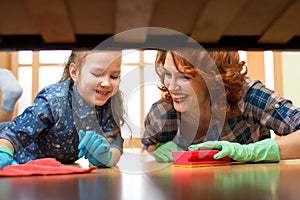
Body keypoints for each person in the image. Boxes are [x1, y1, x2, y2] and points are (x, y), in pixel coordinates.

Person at [142, 49, 300, 163]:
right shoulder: (163, 113)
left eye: (184, 77)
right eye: (168, 74)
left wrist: (248, 152)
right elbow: (148, 147)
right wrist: (157, 150)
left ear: (213, 78)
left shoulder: (248, 96)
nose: (171, 86)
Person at [0, 50, 125, 169]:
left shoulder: (109, 103)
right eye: (97, 74)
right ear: (75, 72)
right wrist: (3, 152)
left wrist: (107, 158)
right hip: (19, 156)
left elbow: (115, 143)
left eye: (114, 76)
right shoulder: (55, 100)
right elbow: (15, 132)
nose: (107, 83)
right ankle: (9, 91)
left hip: (56, 168)